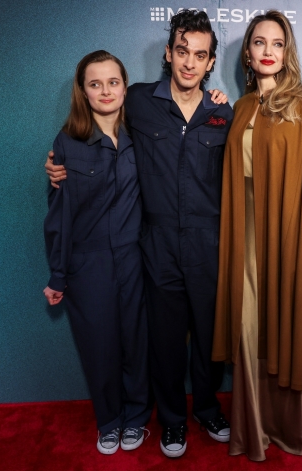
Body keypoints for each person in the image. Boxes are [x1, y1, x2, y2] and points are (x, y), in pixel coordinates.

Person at [45, 10, 233, 459]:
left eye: (200, 55)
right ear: (168, 53)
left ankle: (206, 408)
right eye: (182, 51)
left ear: (210, 63)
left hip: (209, 243)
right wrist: (57, 167)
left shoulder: (223, 111)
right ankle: (170, 421)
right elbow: (93, 126)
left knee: (210, 338)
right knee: (166, 341)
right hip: (157, 243)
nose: (190, 62)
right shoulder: (139, 100)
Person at [212, 10, 302, 461]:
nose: (267, 51)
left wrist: (299, 252)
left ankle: (290, 426)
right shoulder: (240, 108)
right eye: (258, 43)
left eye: (277, 43)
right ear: (247, 55)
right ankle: (254, 424)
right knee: (249, 330)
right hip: (245, 240)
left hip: (288, 240)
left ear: (287, 52)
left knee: (287, 324)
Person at [43, 50, 150, 455]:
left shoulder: (142, 132)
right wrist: (58, 273)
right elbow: (60, 215)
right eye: (95, 83)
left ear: (125, 87)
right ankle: (109, 420)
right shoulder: (67, 142)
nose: (105, 90)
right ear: (83, 92)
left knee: (137, 343)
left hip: (135, 256)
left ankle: (138, 417)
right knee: (99, 344)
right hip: (87, 263)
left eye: (113, 82)